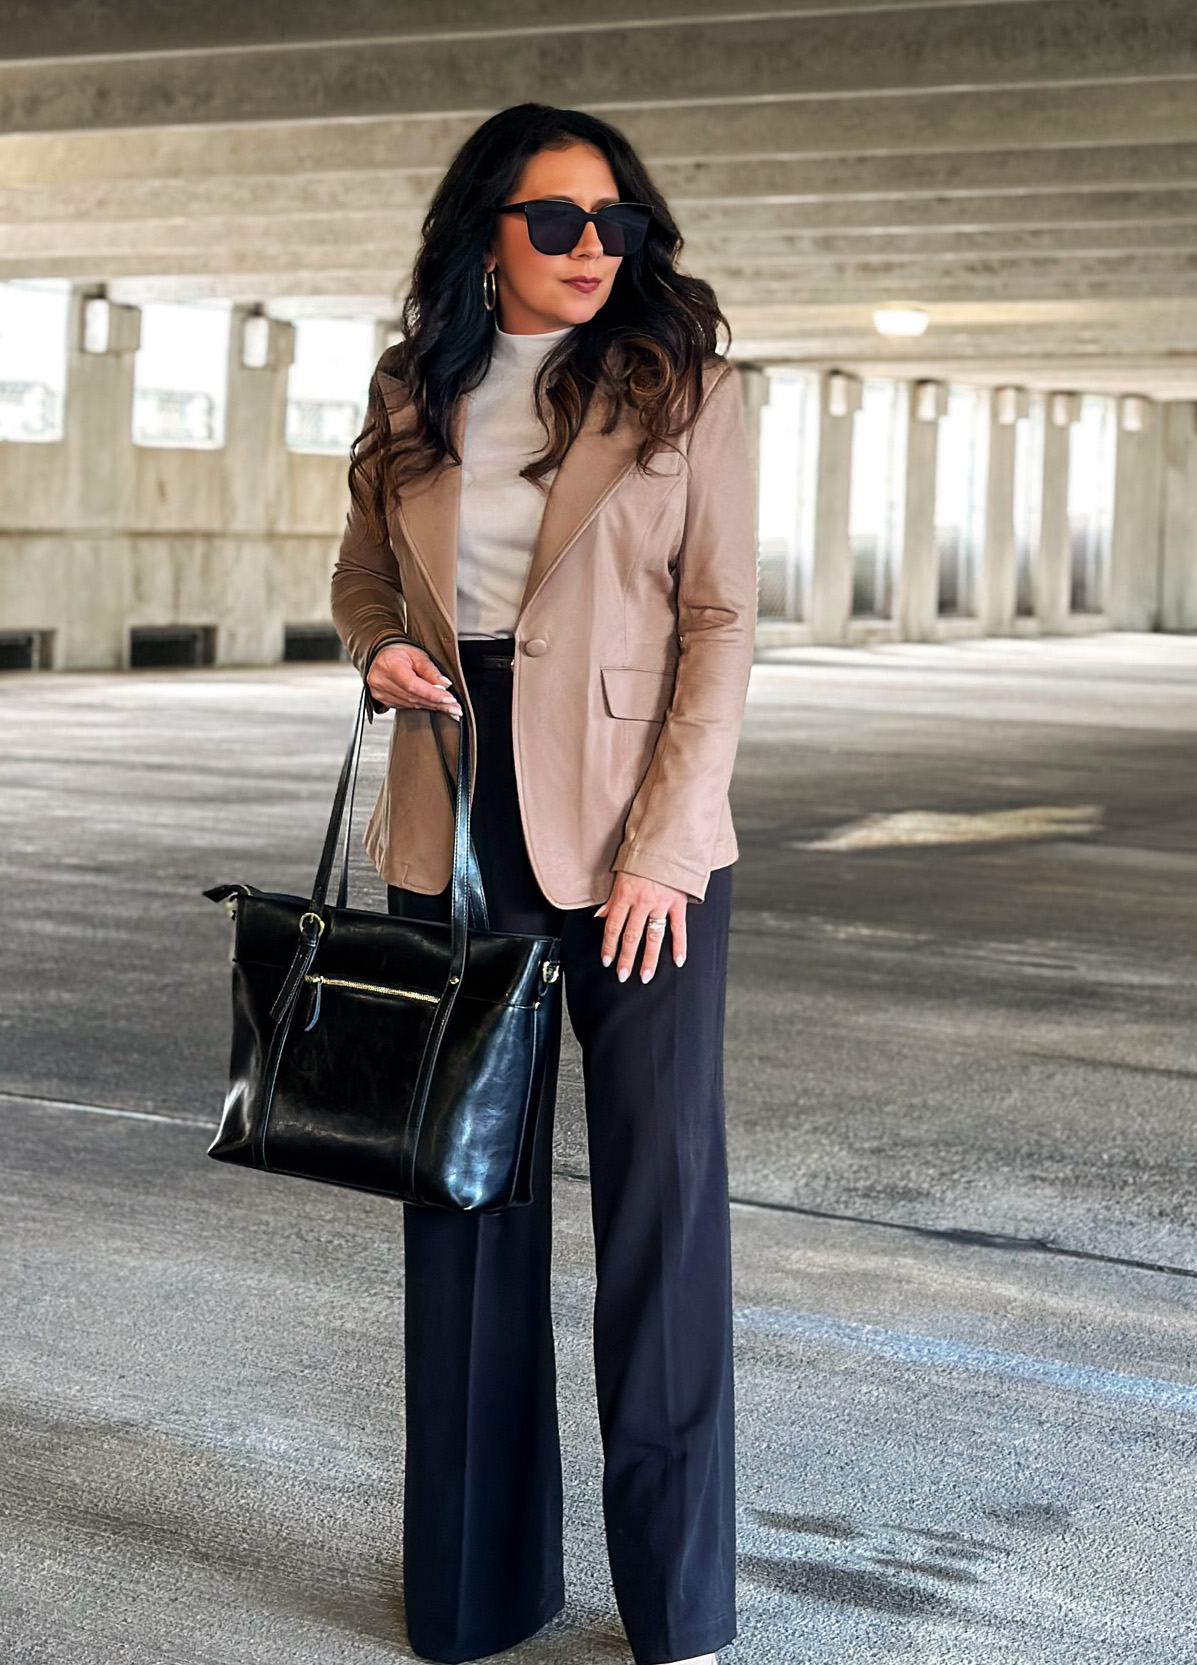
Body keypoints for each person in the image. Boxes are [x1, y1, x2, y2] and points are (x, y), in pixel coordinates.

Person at [330, 102, 758, 1665]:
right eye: (557, 221)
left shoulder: (684, 387)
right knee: (462, 1207)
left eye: (613, 220)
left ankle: (678, 1612)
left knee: (657, 1216)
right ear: (484, 235)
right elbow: (364, 563)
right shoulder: (412, 387)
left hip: (639, 827)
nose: (595, 249)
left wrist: (660, 843)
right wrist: (375, 642)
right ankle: (473, 1589)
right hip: (452, 804)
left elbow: (718, 622)